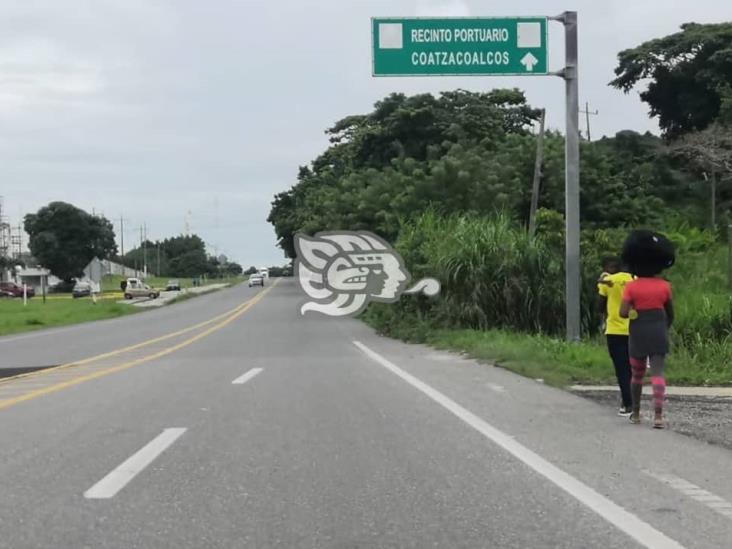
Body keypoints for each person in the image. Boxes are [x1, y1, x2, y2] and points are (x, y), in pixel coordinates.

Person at [619, 230, 675, 429]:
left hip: (638, 332)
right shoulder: (665, 286)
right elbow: (670, 313)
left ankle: (635, 412)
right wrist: (664, 327)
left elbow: (623, 313)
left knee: (637, 374)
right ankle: (658, 416)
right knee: (658, 373)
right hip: (659, 330)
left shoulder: (631, 287)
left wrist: (635, 312)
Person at [597, 256, 634, 416]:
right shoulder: (637, 280)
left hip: (614, 330)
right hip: (634, 330)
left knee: (621, 368)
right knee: (633, 367)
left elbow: (600, 305)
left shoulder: (608, 280)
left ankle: (628, 403)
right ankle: (631, 400)